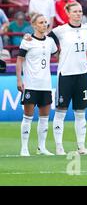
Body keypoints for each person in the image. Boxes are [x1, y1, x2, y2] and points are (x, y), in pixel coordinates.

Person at [46, 2, 87, 155]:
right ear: (67, 13)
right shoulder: (60, 30)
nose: (78, 14)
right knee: (61, 111)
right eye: (74, 11)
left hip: (82, 75)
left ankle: (81, 147)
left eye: (80, 11)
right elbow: (45, 40)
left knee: (81, 112)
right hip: (65, 75)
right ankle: (59, 147)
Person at [16, 14, 58, 156]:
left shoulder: (50, 42)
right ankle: (24, 148)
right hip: (31, 84)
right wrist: (19, 80)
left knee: (44, 118)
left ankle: (42, 147)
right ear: (34, 25)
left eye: (45, 22)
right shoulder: (27, 41)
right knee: (28, 116)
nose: (44, 24)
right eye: (41, 22)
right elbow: (19, 60)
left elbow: (58, 55)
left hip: (45, 85)